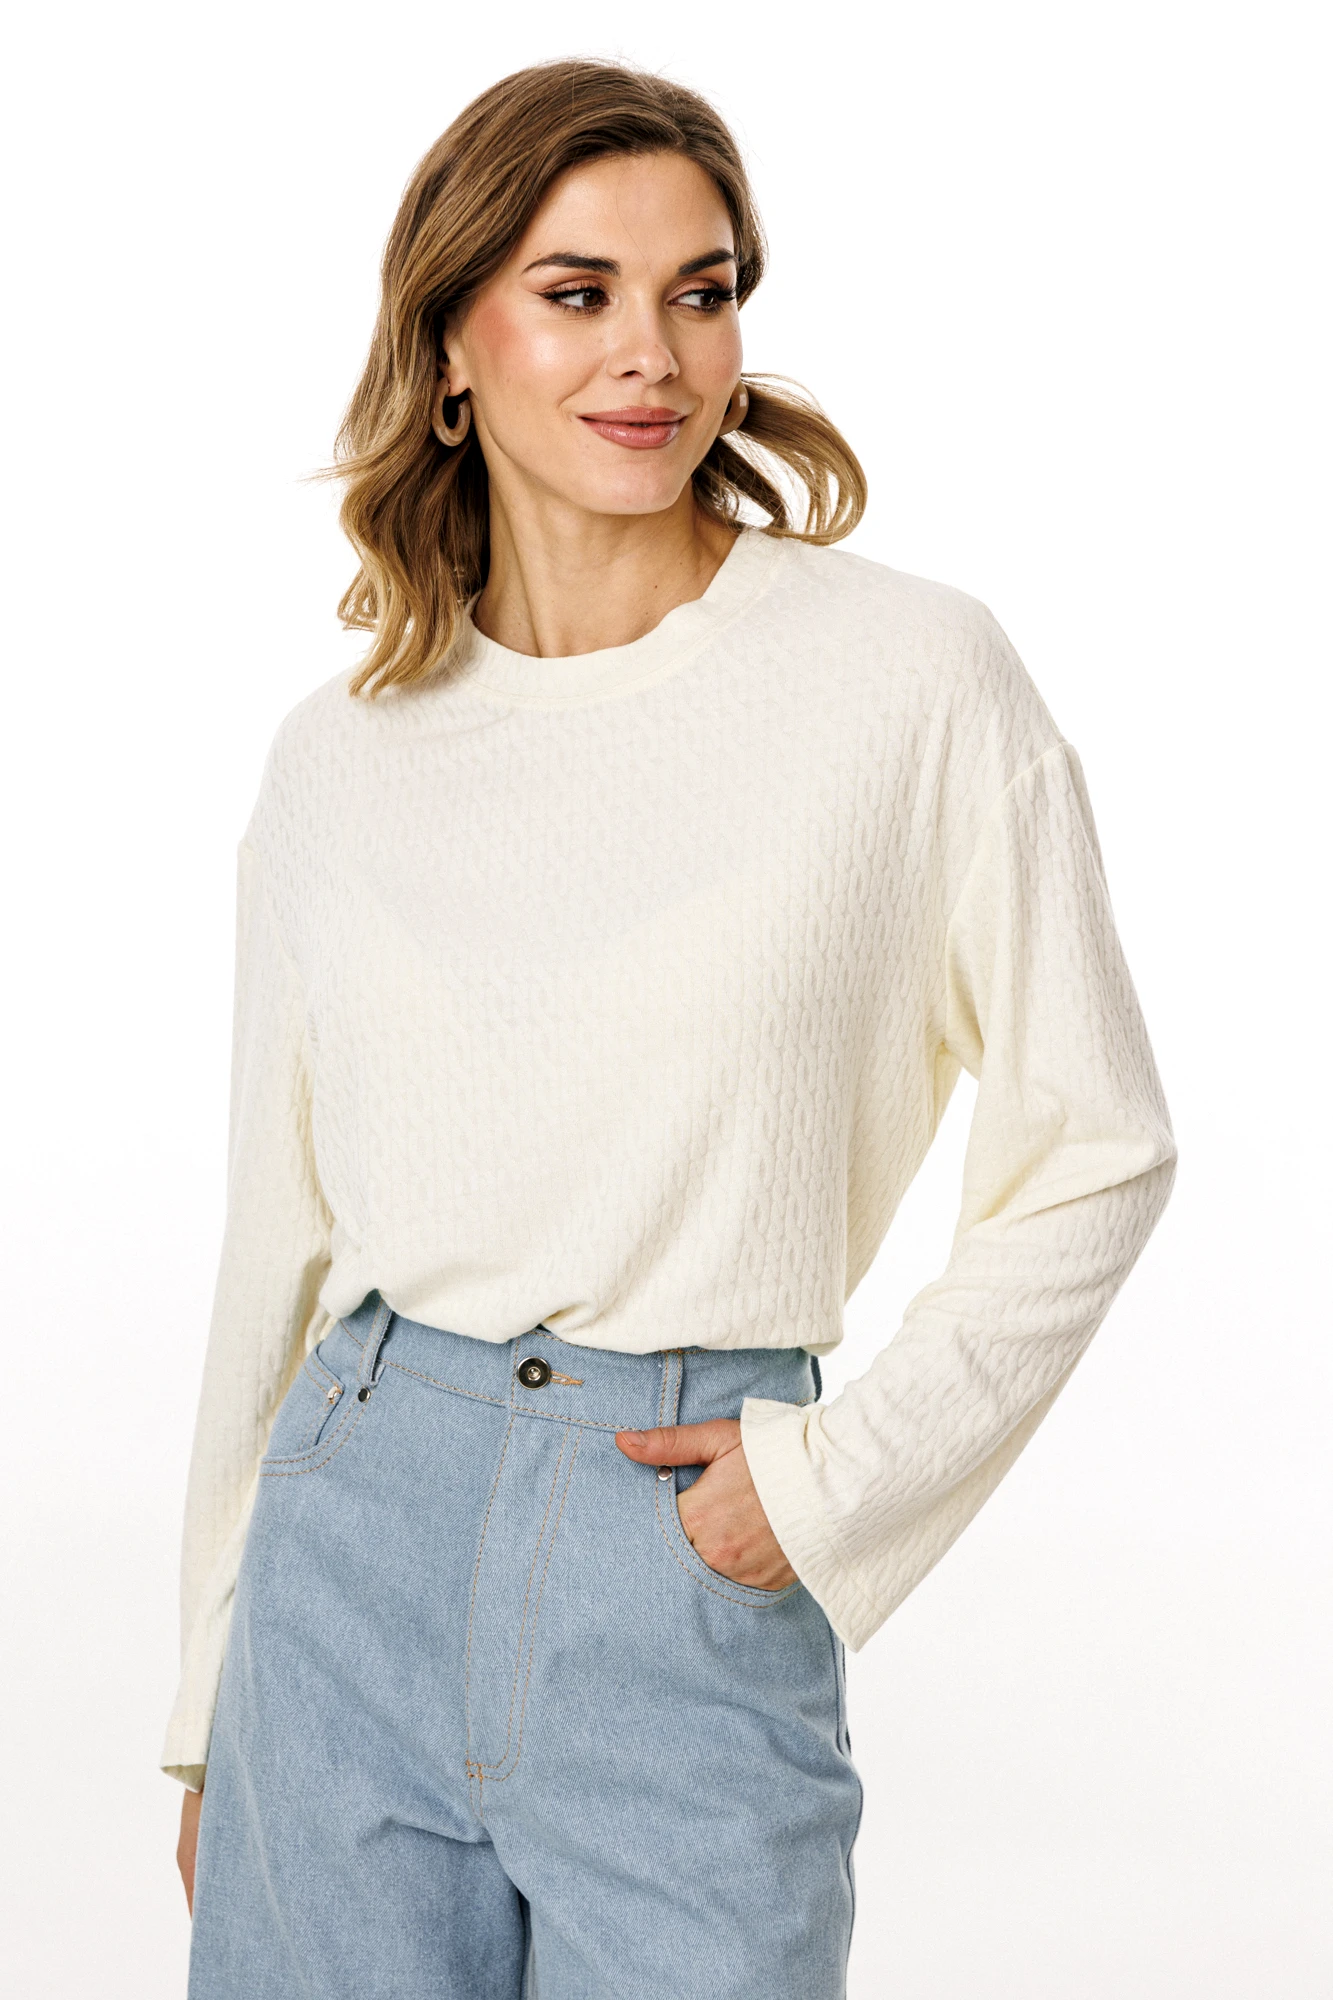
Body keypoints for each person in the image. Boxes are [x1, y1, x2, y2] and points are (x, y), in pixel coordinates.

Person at [166, 56, 1176, 2000]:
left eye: (700, 293)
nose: (654, 353)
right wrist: (208, 1696)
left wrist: (825, 1485)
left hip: (680, 1544)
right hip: (344, 1559)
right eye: (579, 293)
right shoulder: (340, 760)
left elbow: (1101, 1145)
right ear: (448, 349)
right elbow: (275, 1246)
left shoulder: (909, 681)